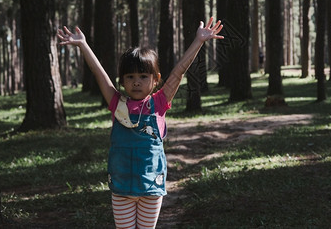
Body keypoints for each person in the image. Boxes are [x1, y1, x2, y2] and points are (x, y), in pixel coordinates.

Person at [57, 17, 223, 229]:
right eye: (130, 76)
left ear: (156, 79)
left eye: (144, 76)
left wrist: (198, 41)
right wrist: (83, 45)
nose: (136, 81)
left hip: (151, 188)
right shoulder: (117, 103)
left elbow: (179, 71)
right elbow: (99, 72)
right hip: (122, 188)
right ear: (122, 80)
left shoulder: (160, 102)